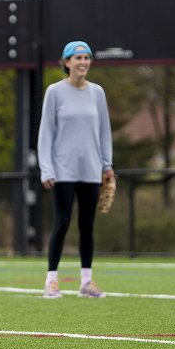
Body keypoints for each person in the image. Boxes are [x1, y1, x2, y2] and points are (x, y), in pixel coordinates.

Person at [37, 40, 113, 299]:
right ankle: (51, 281)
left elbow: (104, 132)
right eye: (78, 58)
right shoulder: (54, 92)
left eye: (87, 57)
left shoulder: (98, 93)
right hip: (63, 170)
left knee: (87, 225)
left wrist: (106, 165)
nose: (83, 62)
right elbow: (45, 133)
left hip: (90, 170)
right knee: (62, 223)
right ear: (66, 62)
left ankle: (87, 282)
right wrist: (46, 168)